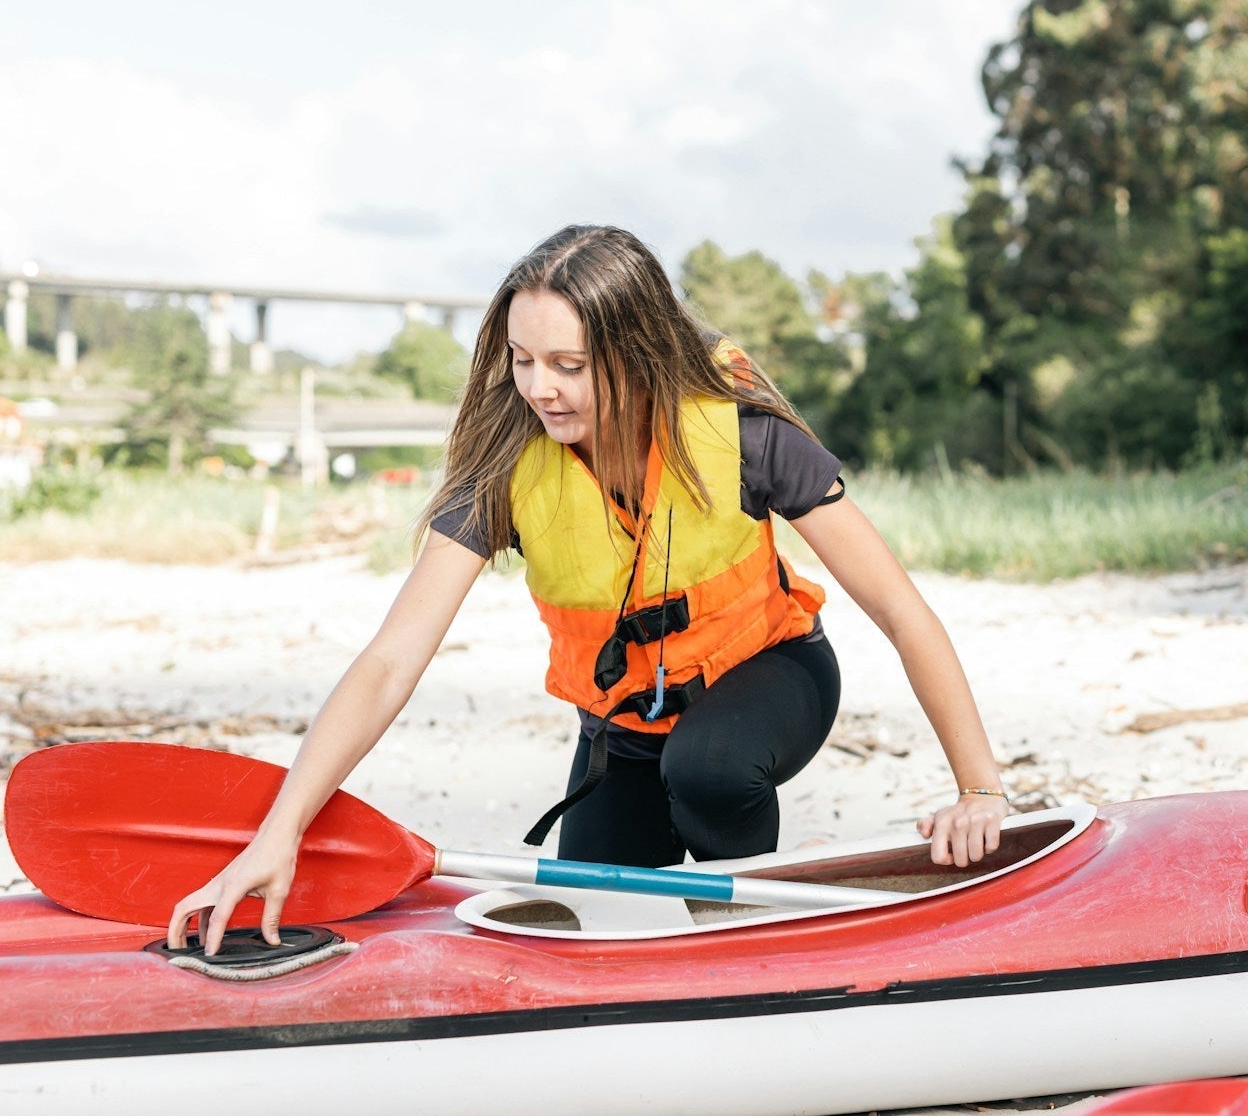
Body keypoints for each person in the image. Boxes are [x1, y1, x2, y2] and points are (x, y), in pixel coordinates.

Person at [169, 225, 1010, 956]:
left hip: (770, 680)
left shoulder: (747, 438)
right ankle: (691, 897)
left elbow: (903, 612)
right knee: (594, 915)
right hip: (626, 730)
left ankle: (749, 913)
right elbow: (392, 659)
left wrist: (978, 789)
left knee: (709, 771)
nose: (540, 388)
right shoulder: (504, 472)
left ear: (637, 353)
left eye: (568, 365)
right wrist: (279, 833)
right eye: (523, 360)